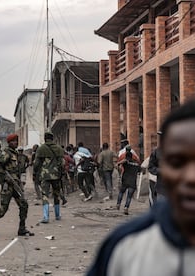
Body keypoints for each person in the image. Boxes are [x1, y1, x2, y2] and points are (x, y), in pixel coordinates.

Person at [87, 99, 195, 276]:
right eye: (178, 162)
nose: (191, 177)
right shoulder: (125, 246)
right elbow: (148, 166)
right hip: (149, 187)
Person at [0, 134, 34, 237]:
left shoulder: (15, 154)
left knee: (24, 204)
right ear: (9, 142)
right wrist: (5, 177)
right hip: (8, 185)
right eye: (14, 141)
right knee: (3, 209)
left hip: (16, 185)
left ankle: (22, 229)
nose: (16, 143)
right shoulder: (6, 153)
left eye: (17, 141)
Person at [33, 132, 65, 223]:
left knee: (45, 195)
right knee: (56, 194)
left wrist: (35, 172)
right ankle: (57, 215)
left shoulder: (41, 148)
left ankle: (46, 217)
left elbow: (36, 164)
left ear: (45, 138)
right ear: (52, 138)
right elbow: (62, 163)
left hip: (45, 175)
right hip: (56, 175)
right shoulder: (59, 148)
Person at [116, 146, 140, 215]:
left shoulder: (126, 161)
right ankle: (126, 207)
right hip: (133, 181)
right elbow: (141, 169)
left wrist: (118, 164)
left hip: (125, 180)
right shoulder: (136, 163)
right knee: (129, 196)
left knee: (121, 192)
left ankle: (118, 204)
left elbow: (122, 162)